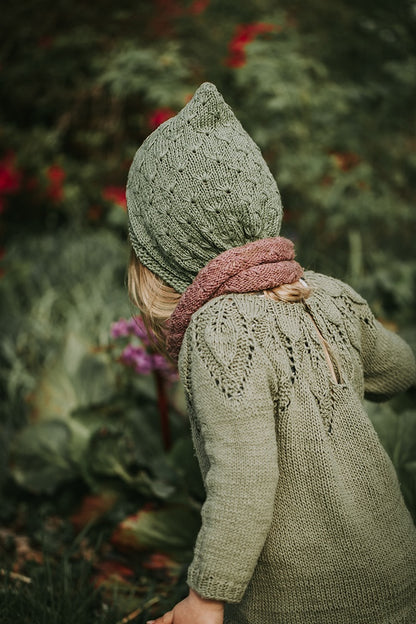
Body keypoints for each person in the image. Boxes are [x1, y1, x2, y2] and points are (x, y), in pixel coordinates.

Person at [126, 82, 416, 624]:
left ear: (163, 255)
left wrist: (204, 599)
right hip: (398, 566)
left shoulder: (218, 331)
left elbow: (245, 479)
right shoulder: (327, 294)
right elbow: (398, 370)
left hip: (309, 602)